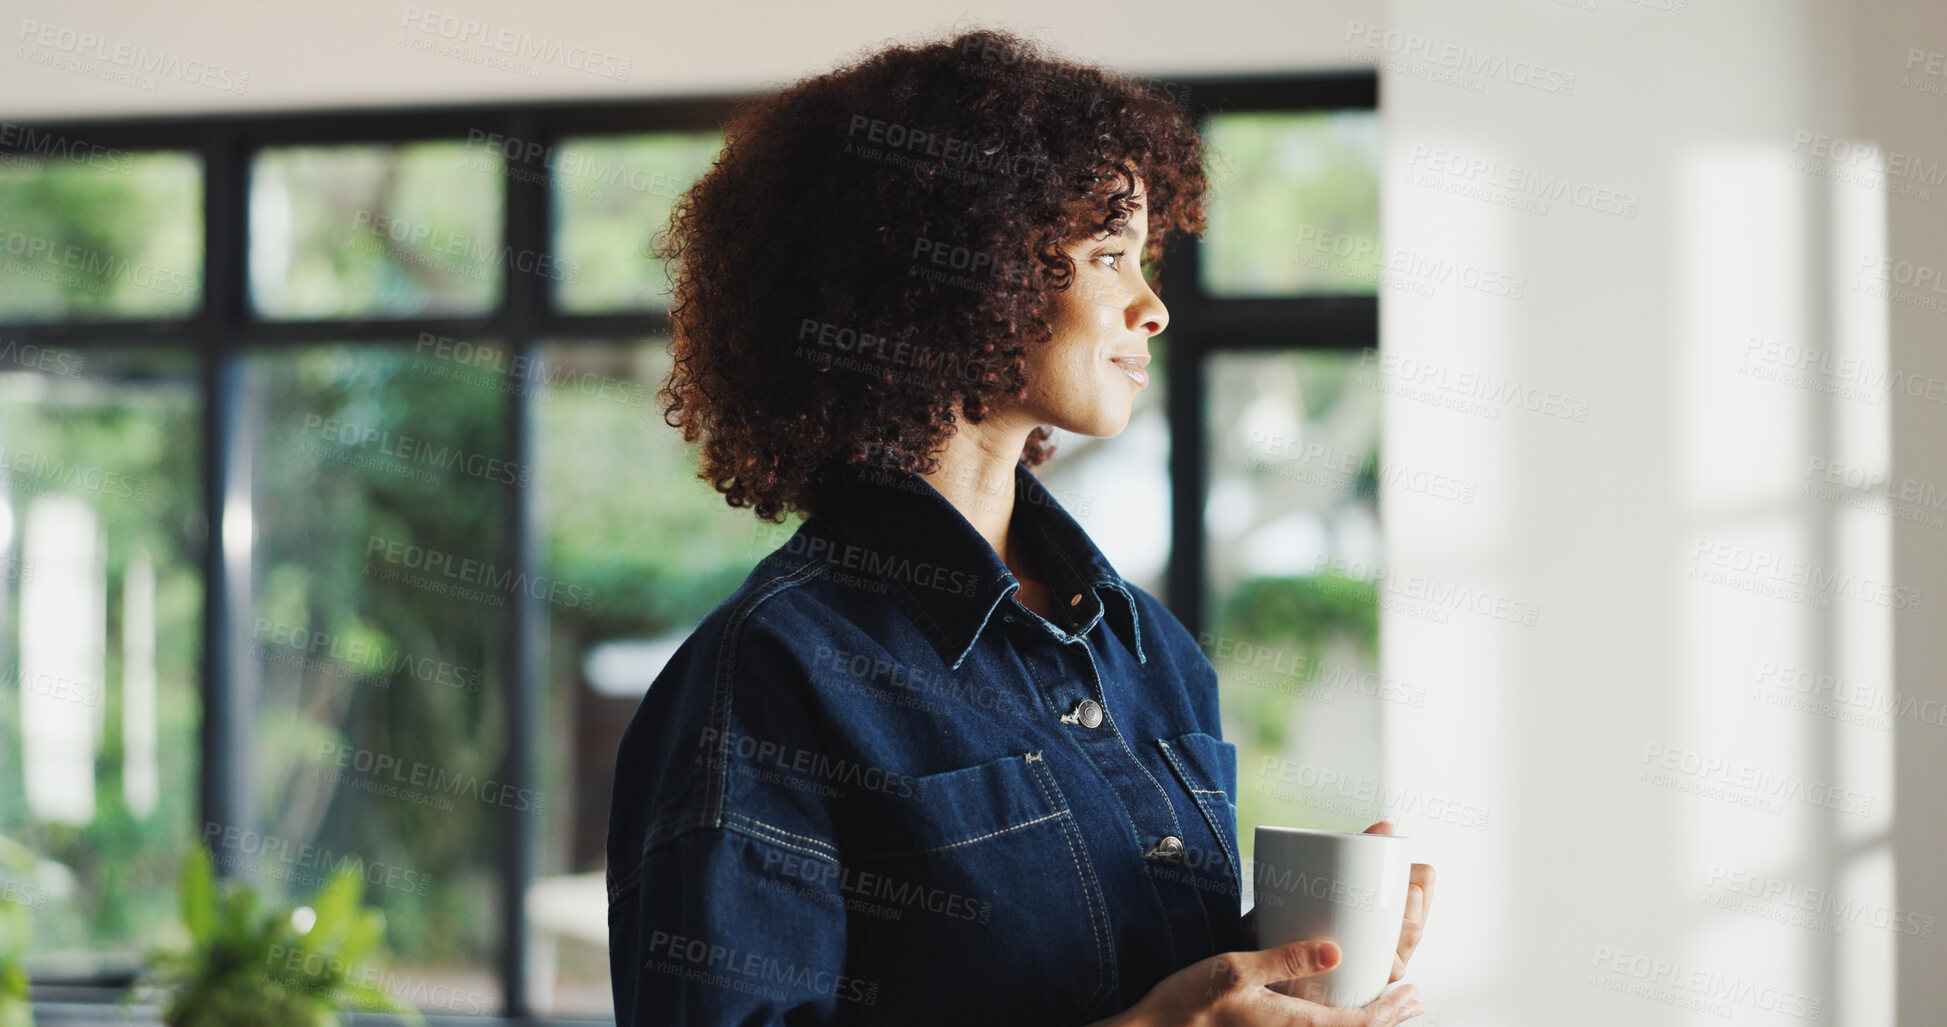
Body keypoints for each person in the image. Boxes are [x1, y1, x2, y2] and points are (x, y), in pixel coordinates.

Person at [606, 25, 1433, 1026]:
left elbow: (1130, 977)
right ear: (956, 275)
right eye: (1109, 256)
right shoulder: (773, 670)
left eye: (1143, 259)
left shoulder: (1153, 653)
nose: (1153, 307)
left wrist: (1290, 975)